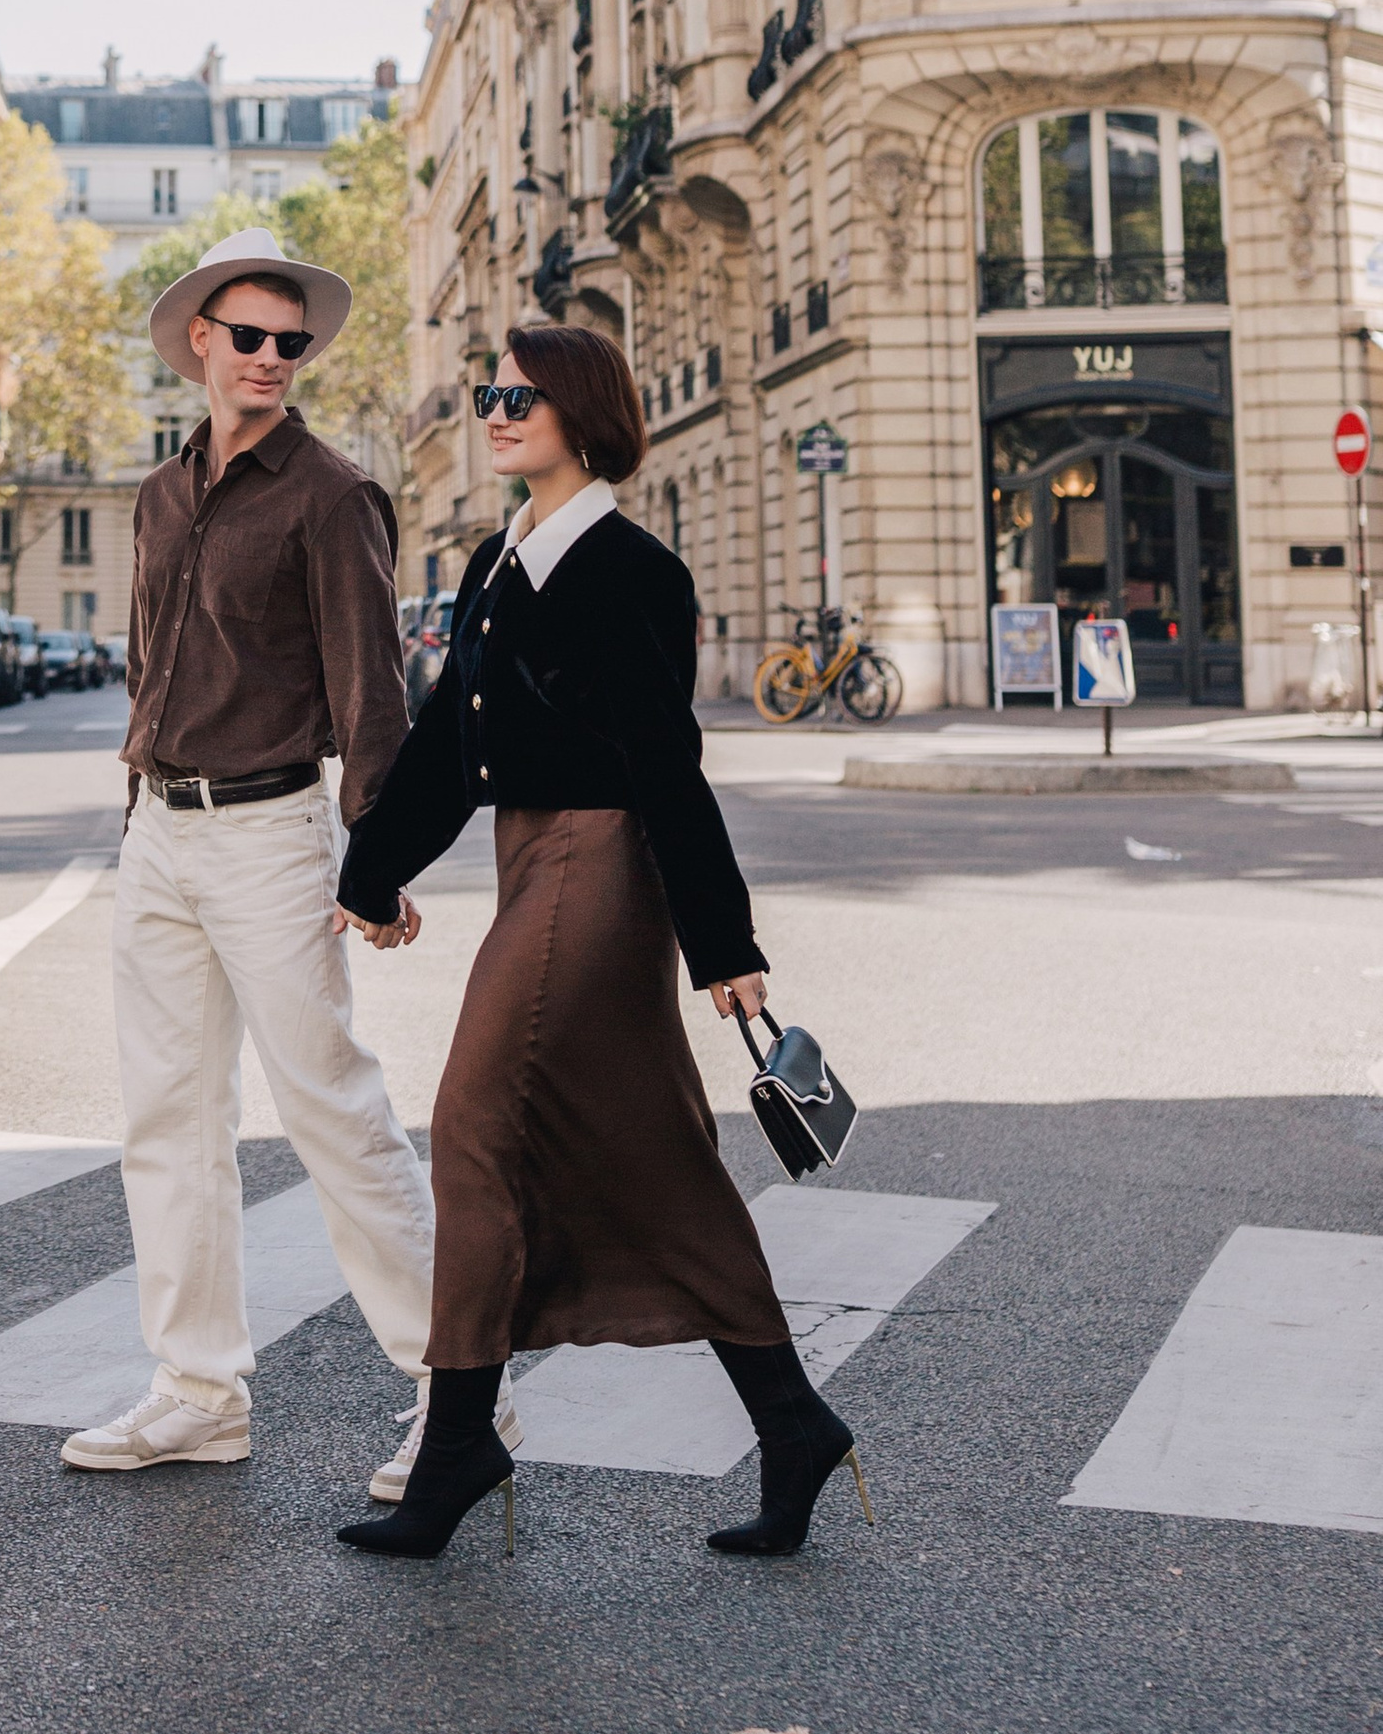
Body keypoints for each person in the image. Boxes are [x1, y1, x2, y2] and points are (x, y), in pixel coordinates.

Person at [332, 319, 870, 1566]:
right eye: (489, 393)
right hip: (533, 859)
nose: (497, 410)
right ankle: (794, 1425)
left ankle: (458, 1437)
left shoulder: (631, 570)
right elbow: (444, 747)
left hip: (598, 871)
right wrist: (370, 865)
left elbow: (669, 770)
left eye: (523, 394)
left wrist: (721, 938)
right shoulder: (496, 557)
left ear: (585, 412)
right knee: (658, 1160)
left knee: (472, 1121)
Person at [60, 226, 452, 1483]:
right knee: (168, 1121)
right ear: (199, 345)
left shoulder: (334, 496)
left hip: (275, 834)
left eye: (294, 343)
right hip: (159, 834)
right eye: (252, 338)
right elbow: (145, 663)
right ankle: (196, 1394)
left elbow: (369, 692)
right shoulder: (161, 492)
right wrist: (135, 812)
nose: (275, 358)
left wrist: (373, 861)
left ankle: (461, 1395)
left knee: (333, 1110)